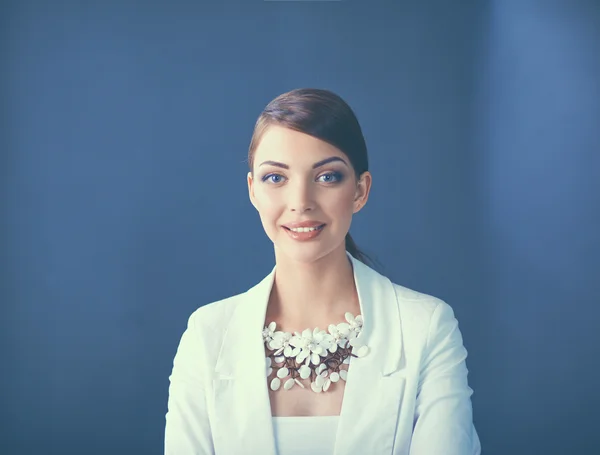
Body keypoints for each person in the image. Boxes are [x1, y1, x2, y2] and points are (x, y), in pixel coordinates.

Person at [164, 88, 481, 454]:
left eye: (327, 177)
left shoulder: (426, 327)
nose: (301, 202)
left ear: (360, 190)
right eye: (275, 178)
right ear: (253, 190)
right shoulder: (207, 335)